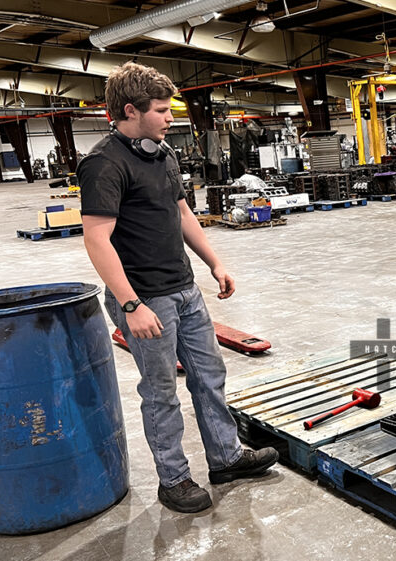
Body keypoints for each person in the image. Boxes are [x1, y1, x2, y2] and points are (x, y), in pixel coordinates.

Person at [79, 62, 278, 514]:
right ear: (130, 111)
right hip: (145, 298)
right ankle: (173, 480)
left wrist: (214, 262)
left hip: (185, 290)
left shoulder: (164, 153)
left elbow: (183, 213)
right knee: (161, 391)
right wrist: (131, 304)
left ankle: (226, 458)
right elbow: (96, 239)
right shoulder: (104, 163)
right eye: (161, 110)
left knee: (210, 376)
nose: (171, 118)